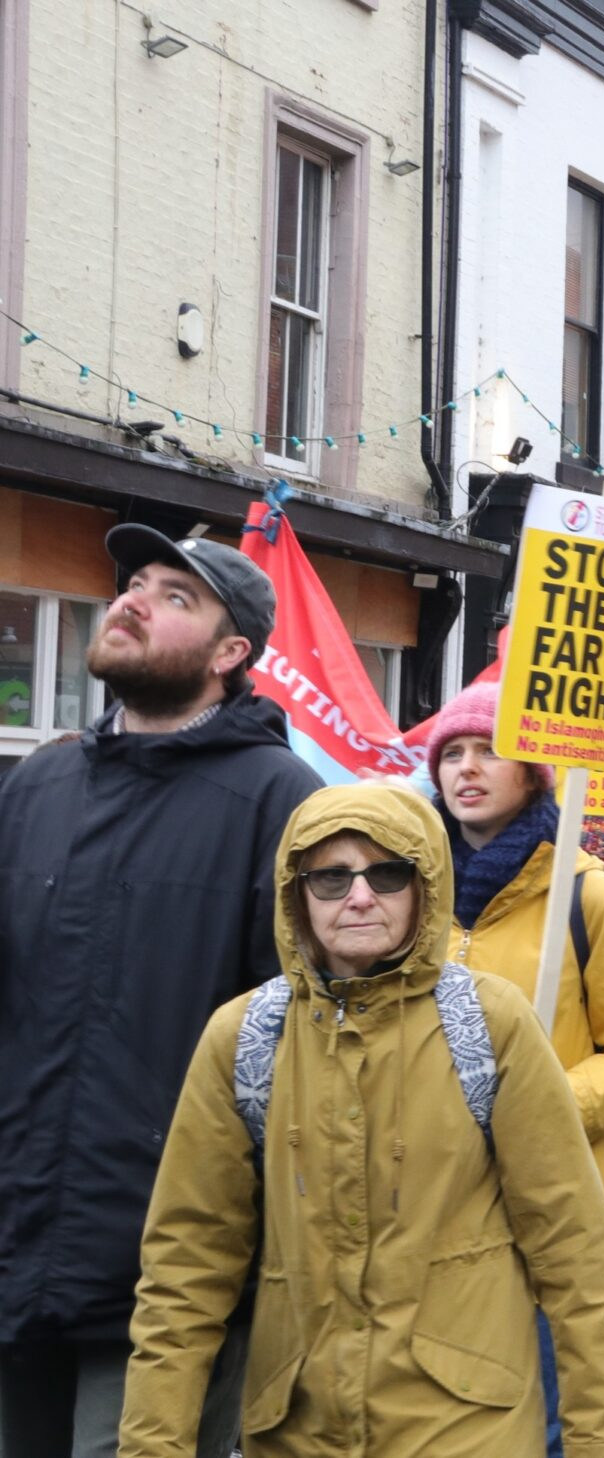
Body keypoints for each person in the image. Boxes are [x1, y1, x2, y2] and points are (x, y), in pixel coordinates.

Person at [118, 783, 604, 1458]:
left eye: (388, 873)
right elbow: (184, 1273)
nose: (360, 897)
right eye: (330, 878)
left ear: (424, 886)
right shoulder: (245, 1035)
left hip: (467, 1432)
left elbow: (578, 1260)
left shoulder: (489, 1021)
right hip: (297, 1432)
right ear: (294, 894)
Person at [0, 524, 321, 1458]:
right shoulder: (40, 784)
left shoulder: (282, 801)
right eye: (133, 583)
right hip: (18, 1247)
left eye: (175, 596)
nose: (133, 600)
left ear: (231, 655)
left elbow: (297, 1043)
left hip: (170, 1273)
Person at [426, 682, 604, 1448]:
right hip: (436, 1206)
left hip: (557, 1208)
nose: (466, 769)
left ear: (534, 770)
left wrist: (538, 1106)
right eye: (451, 753)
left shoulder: (589, 898)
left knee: (551, 1425)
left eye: (488, 750)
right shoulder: (408, 896)